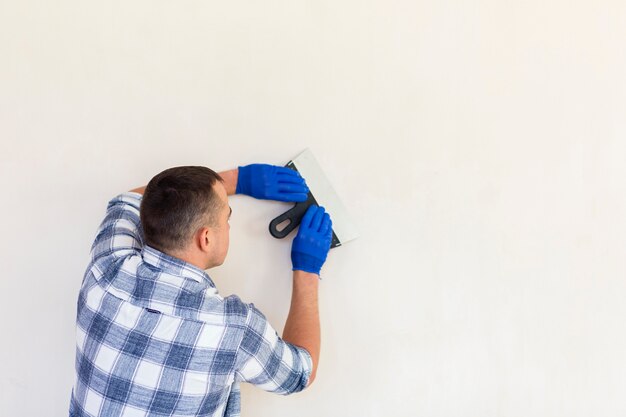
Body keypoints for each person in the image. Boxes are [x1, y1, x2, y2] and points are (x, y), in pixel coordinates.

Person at [69, 163, 333, 417]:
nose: (229, 226)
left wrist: (234, 180)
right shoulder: (233, 327)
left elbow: (128, 199)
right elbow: (300, 372)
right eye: (226, 217)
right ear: (206, 238)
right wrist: (307, 270)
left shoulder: (106, 268)